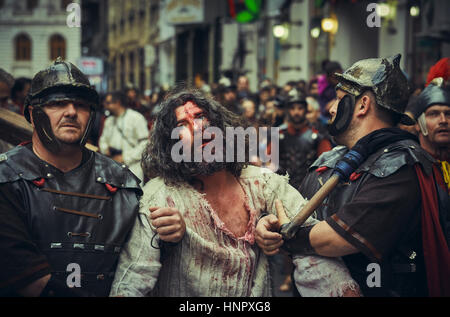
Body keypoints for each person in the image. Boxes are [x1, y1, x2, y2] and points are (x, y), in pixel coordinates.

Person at [110, 89, 361, 297]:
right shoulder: (159, 197)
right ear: (171, 142)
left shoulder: (264, 185)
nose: (197, 128)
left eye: (200, 117)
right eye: (182, 125)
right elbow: (134, 275)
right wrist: (165, 242)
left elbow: (314, 256)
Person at [256, 54, 450, 297]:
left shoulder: (400, 166)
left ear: (363, 105)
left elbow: (335, 240)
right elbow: (291, 210)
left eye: (339, 99)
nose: (331, 108)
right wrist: (268, 224)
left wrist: (288, 236)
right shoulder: (329, 159)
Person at [0, 58, 144, 297]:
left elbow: (138, 265)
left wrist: (167, 230)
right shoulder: (6, 179)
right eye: (58, 103)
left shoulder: (123, 182)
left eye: (80, 105)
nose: (71, 112)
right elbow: (25, 278)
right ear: (33, 114)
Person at [278, 90, 332, 191]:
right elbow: (267, 164)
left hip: (309, 188)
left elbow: (327, 165)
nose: (296, 112)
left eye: (300, 108)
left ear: (305, 110)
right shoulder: (279, 134)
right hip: (281, 188)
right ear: (288, 110)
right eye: (292, 108)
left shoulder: (317, 135)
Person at [99, 91, 149, 184]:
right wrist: (105, 149)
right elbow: (103, 140)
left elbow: (145, 144)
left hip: (132, 167)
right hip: (112, 165)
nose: (105, 106)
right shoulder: (109, 121)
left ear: (117, 103)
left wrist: (125, 157)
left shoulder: (136, 118)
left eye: (108, 103)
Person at [410, 78, 450, 196]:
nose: (443, 120)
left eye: (448, 114)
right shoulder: (411, 169)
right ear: (418, 124)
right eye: (434, 114)